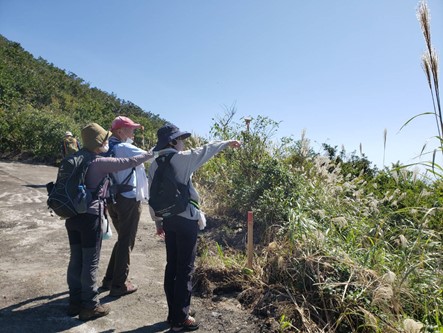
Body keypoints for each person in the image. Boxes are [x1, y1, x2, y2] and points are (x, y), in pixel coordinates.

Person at [148, 123, 241, 332]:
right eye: (180, 139)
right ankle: (180, 319)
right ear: (173, 142)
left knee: (172, 265)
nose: (183, 143)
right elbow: (205, 150)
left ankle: (175, 313)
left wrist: (158, 222)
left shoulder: (154, 164)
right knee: (185, 269)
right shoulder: (181, 159)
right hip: (186, 220)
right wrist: (227, 143)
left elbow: (151, 197)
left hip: (168, 220)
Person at [65, 122, 154, 321]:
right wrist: (152, 152)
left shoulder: (76, 158)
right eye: (105, 139)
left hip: (71, 216)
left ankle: (74, 302)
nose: (108, 142)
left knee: (76, 259)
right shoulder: (98, 162)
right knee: (90, 262)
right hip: (90, 217)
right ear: (98, 142)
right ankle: (90, 306)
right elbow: (131, 161)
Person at [100, 116, 150, 297]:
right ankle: (119, 284)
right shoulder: (124, 147)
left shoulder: (106, 147)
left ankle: (109, 279)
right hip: (128, 199)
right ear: (120, 131)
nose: (134, 132)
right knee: (127, 241)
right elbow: (150, 155)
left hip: (111, 198)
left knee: (123, 240)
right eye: (131, 129)